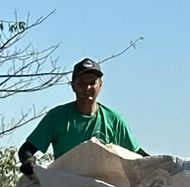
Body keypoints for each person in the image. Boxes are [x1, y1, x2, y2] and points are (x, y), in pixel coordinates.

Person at [18, 57, 146, 176]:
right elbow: (26, 150)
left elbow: (138, 156)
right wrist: (29, 162)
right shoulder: (56, 117)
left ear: (100, 85)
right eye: (82, 83)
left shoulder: (114, 120)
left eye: (92, 83)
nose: (87, 87)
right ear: (73, 86)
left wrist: (157, 164)